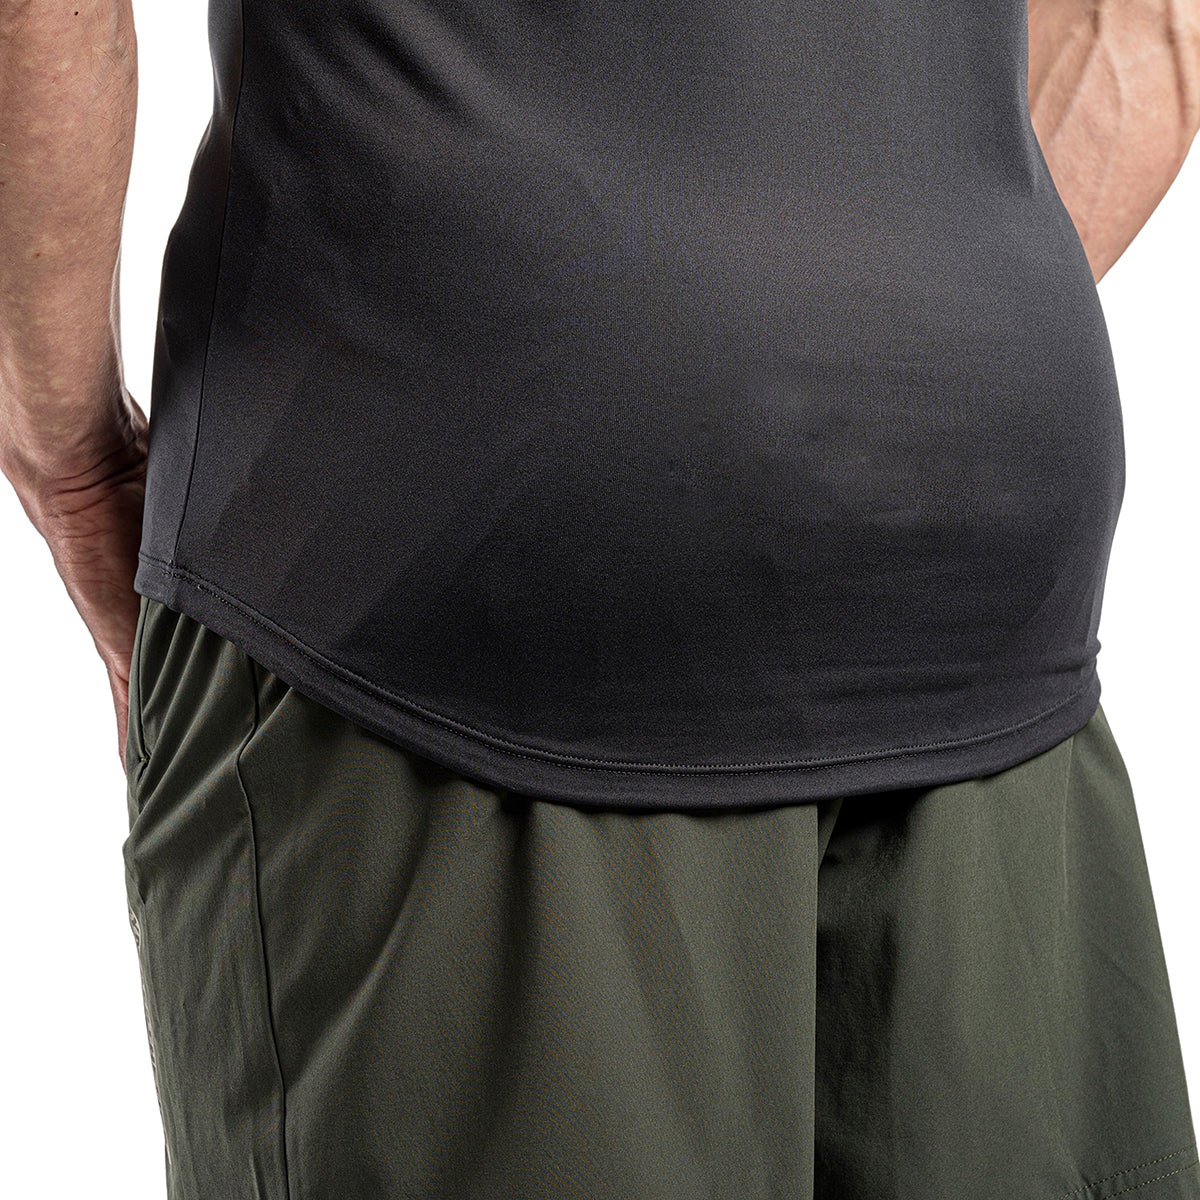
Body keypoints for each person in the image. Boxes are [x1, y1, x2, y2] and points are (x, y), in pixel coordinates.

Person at [3, 1, 1199, 1196]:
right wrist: (876, 338)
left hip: (438, 575)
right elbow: (1148, 27)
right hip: (984, 534)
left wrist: (74, 470)